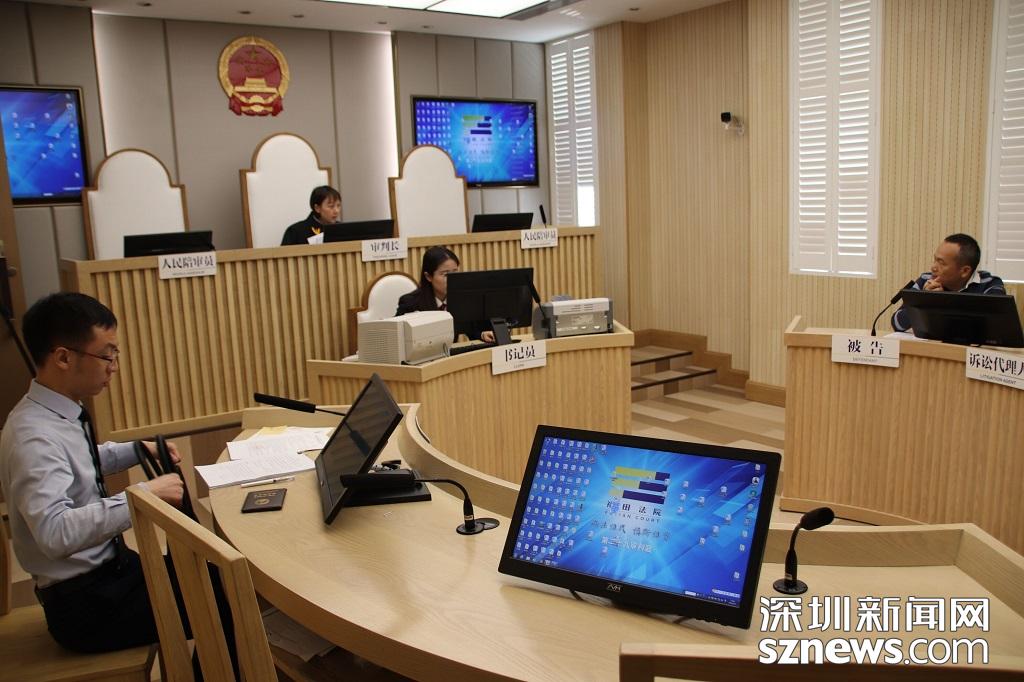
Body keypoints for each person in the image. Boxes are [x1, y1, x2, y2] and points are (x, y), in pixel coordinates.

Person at [0, 292, 235, 668]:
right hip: (85, 606)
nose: (114, 367)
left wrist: (137, 450)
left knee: (217, 577)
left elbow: (84, 459)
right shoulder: (34, 437)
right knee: (226, 600)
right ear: (63, 358)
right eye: (106, 355)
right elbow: (54, 533)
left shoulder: (53, 412)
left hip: (109, 574)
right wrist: (143, 495)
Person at [891, 233, 1006, 332]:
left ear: (965, 271)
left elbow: (996, 328)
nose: (933, 267)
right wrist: (924, 300)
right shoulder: (926, 280)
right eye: (935, 260)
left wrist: (943, 302)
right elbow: (897, 324)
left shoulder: (989, 285)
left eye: (941, 263)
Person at [396, 246, 495, 343]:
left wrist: (482, 334)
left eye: (455, 273)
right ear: (428, 276)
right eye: (446, 274)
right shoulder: (410, 303)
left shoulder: (461, 299)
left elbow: (471, 328)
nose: (452, 280)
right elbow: (396, 337)